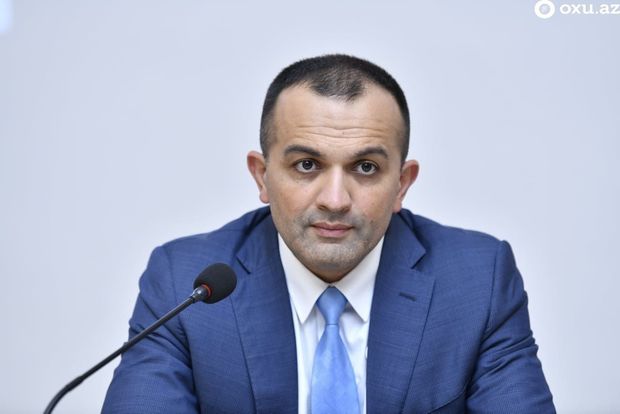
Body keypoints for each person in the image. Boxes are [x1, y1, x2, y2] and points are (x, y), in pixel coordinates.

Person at [103, 54, 555, 413]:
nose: (335, 200)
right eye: (306, 165)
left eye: (366, 167)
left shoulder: (478, 281)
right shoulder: (185, 281)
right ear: (262, 176)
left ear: (402, 184)